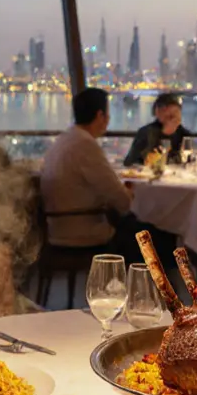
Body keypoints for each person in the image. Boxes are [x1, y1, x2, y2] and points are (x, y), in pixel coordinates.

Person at [40, 88, 172, 265]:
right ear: (100, 115)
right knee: (160, 234)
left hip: (59, 226)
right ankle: (151, 288)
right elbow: (123, 202)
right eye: (107, 114)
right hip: (81, 228)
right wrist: (127, 193)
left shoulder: (65, 139)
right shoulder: (85, 145)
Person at [122, 93, 189, 166]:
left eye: (175, 114)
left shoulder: (184, 134)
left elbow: (191, 161)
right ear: (157, 112)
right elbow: (130, 162)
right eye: (170, 116)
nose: (172, 120)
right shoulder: (145, 132)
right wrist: (164, 134)